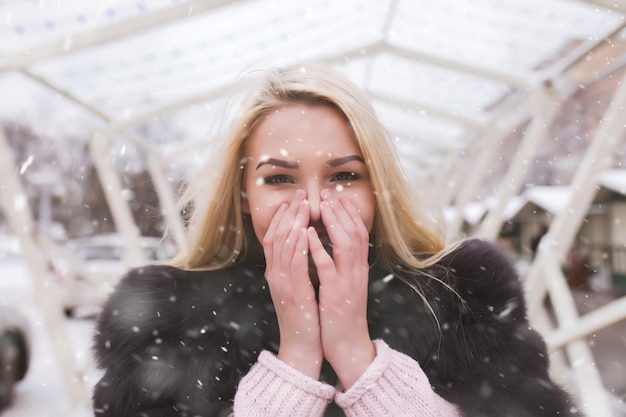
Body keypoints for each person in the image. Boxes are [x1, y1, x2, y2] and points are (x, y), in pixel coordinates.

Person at [91, 64, 582, 417]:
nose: (315, 204)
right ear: (243, 195)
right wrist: (297, 360)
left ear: (377, 187)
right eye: (280, 179)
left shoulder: (463, 297)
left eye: (344, 175)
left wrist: (358, 357)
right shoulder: (165, 316)